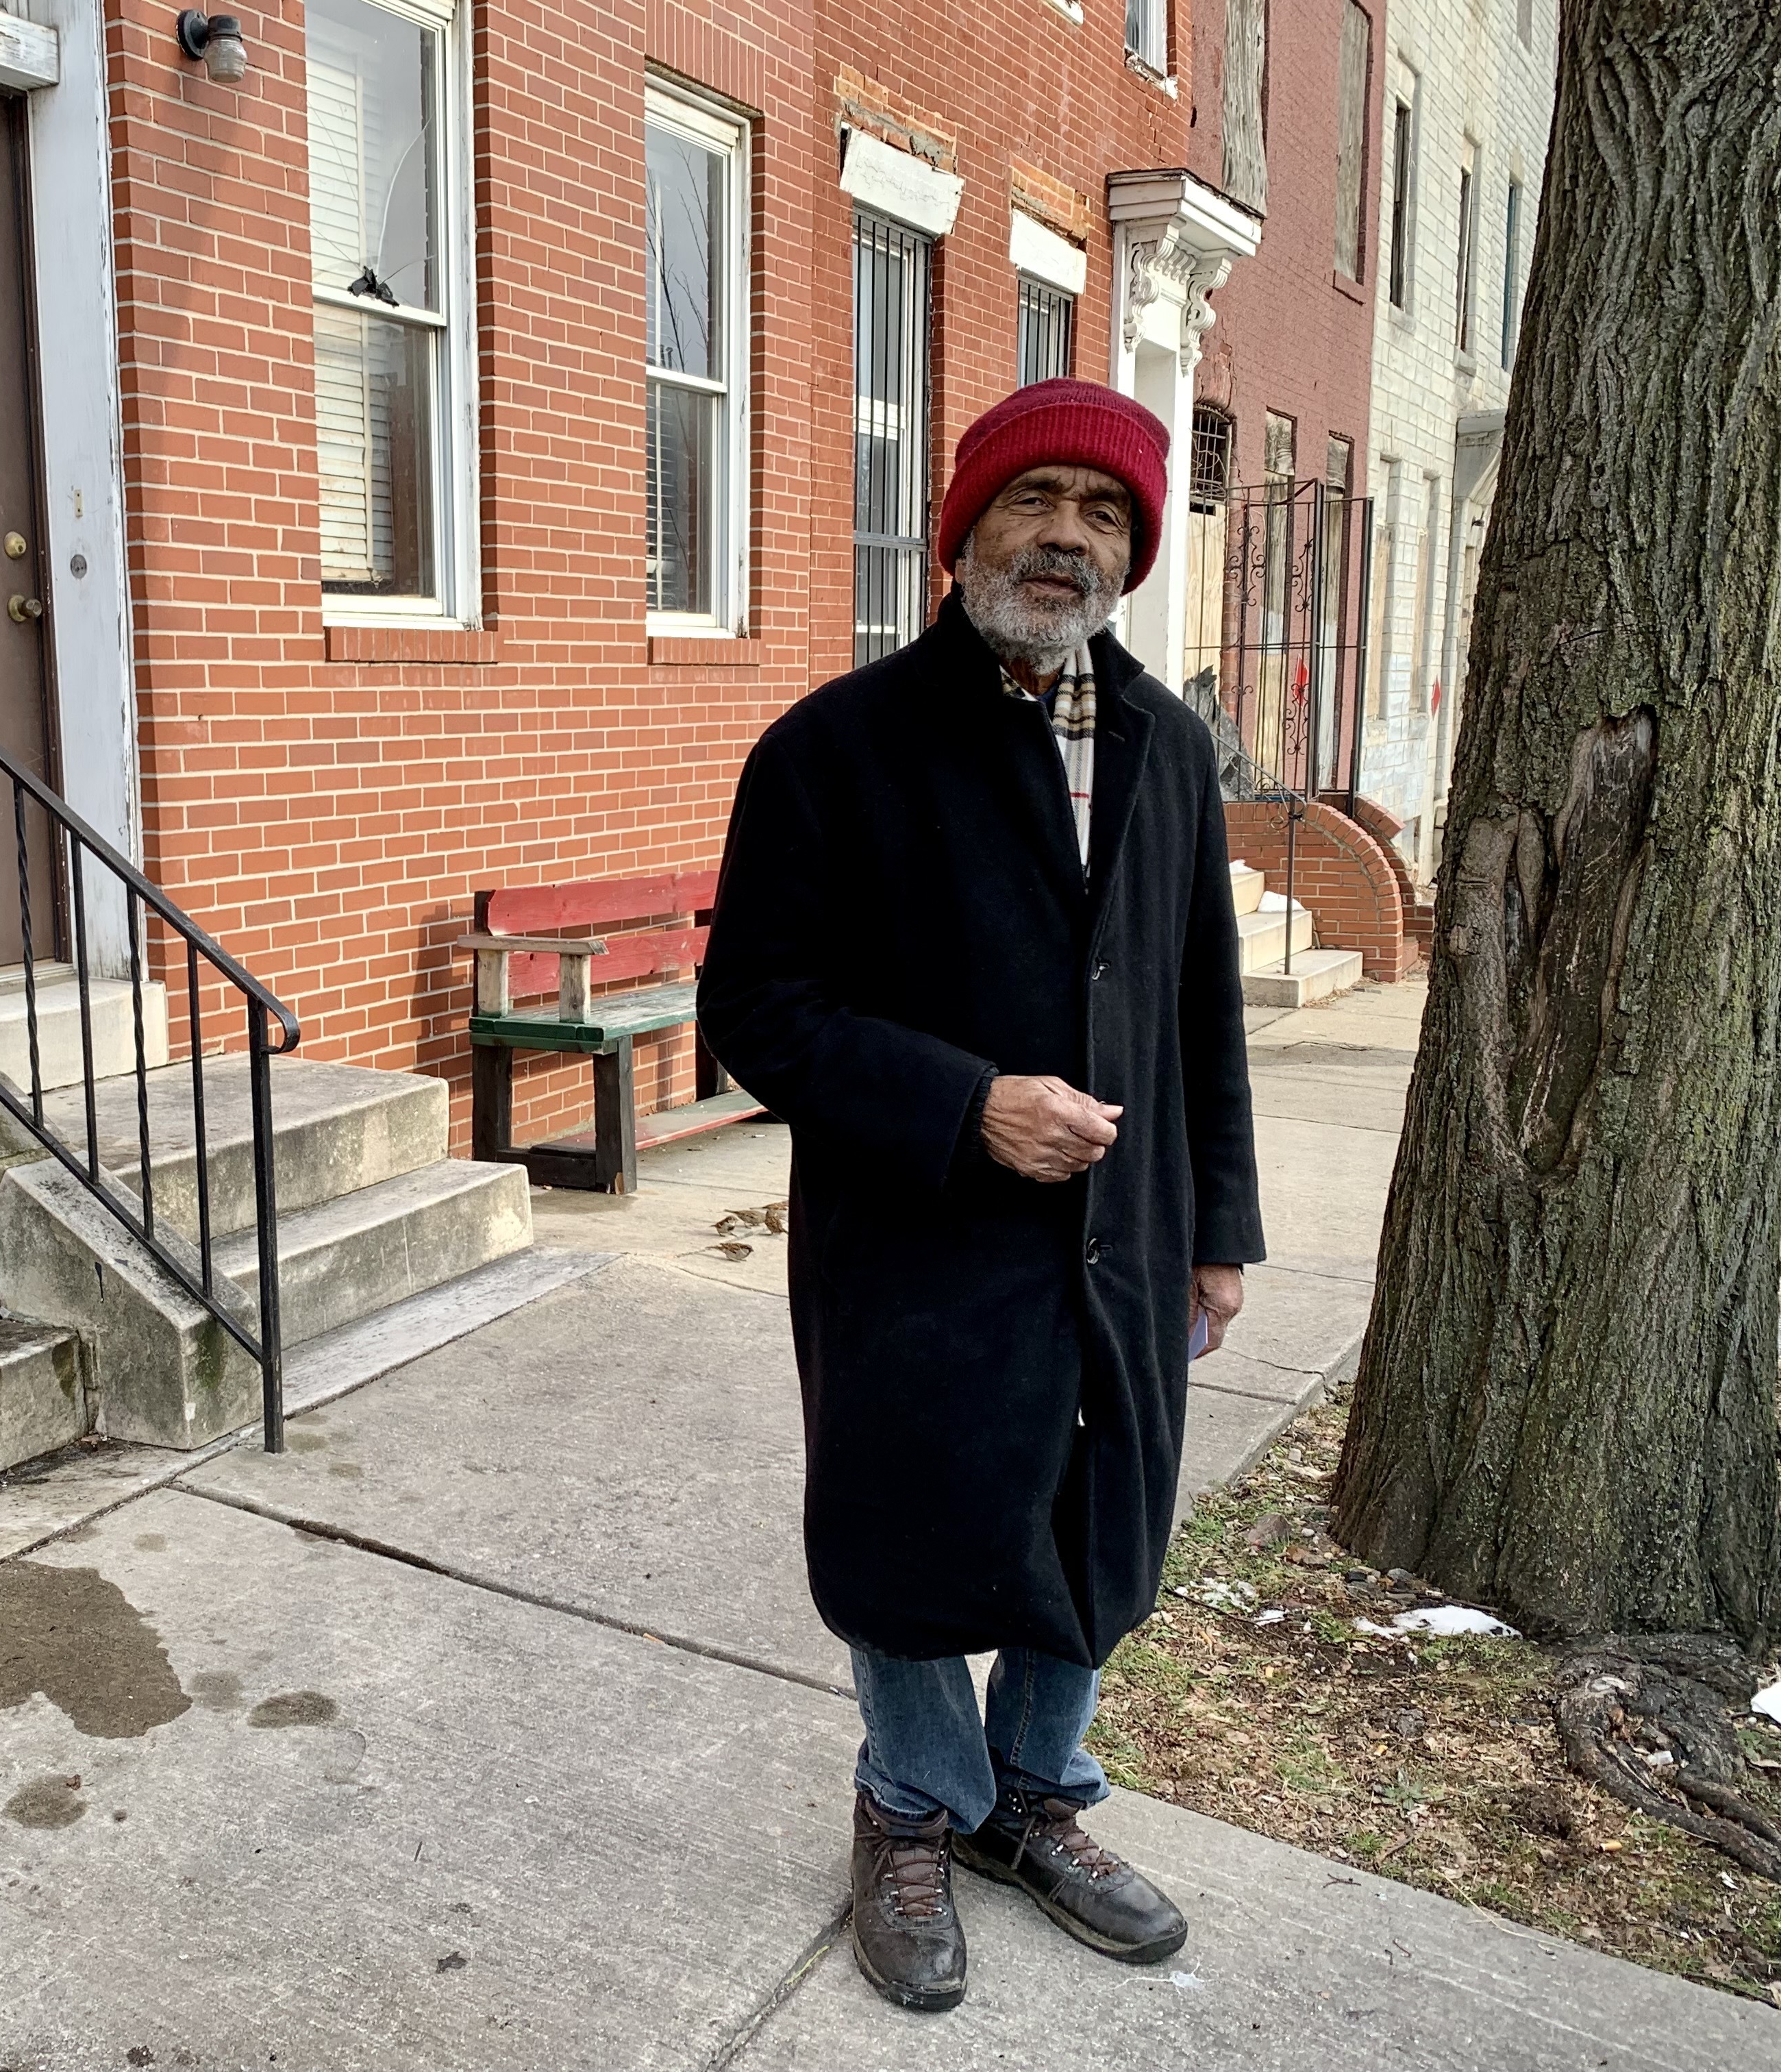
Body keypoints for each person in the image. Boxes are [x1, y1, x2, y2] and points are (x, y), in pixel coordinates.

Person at [699, 379, 1265, 2012]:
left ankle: (1034, 1793)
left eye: (1103, 512)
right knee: (912, 1529)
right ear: (966, 529)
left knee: (1095, 1526)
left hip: (1125, 1236)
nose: (1066, 538)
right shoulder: (840, 749)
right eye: (1037, 504)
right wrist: (965, 1107)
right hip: (917, 1240)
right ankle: (913, 1803)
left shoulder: (1166, 745)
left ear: (1134, 549)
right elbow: (757, 1007)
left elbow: (1199, 1006)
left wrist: (1218, 1223)